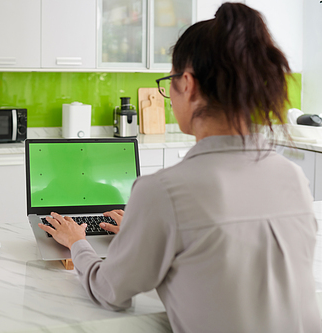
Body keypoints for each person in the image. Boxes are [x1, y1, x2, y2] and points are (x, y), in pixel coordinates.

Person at [38, 2, 322, 332]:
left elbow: (110, 291)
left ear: (187, 84)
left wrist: (77, 242)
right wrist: (142, 226)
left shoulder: (162, 192)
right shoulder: (292, 178)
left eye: (169, 80)